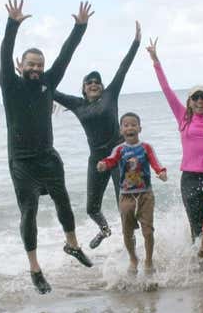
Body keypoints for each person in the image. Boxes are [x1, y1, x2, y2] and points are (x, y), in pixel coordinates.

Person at [0, 0, 95, 294]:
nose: (36, 68)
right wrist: (12, 24)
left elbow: (66, 56)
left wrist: (79, 27)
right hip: (22, 162)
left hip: (48, 156)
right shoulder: (10, 84)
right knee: (29, 212)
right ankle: (35, 268)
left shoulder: (48, 82)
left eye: (39, 64)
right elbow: (4, 54)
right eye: (31, 64)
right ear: (20, 66)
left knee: (63, 201)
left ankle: (72, 245)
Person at [146, 24, 203, 241]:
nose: (199, 101)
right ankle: (200, 267)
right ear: (189, 101)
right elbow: (167, 89)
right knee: (196, 227)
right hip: (189, 177)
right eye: (195, 98)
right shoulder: (182, 116)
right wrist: (156, 61)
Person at [51, 21, 141, 249]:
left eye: (97, 82)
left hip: (119, 155)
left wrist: (136, 42)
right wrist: (24, 75)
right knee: (91, 207)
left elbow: (123, 68)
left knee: (125, 201)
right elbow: (50, 89)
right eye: (89, 82)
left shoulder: (110, 95)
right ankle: (104, 229)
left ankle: (132, 238)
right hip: (97, 160)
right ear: (83, 88)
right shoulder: (77, 104)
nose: (93, 84)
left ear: (102, 86)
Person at [97, 112, 168, 274]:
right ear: (121, 130)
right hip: (126, 197)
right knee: (127, 232)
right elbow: (111, 160)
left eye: (133, 124)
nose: (130, 127)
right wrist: (103, 165)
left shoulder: (146, 147)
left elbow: (155, 162)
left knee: (148, 231)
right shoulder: (120, 149)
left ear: (139, 128)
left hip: (145, 195)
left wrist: (161, 172)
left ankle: (149, 260)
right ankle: (133, 258)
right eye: (126, 125)